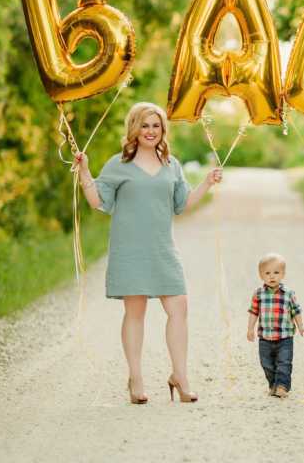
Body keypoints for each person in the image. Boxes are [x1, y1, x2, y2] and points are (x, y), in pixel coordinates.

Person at [75, 102, 222, 404]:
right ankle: (136, 378)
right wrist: (84, 171)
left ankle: (180, 376)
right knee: (135, 313)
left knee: (179, 307)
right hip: (129, 250)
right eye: (144, 125)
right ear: (134, 129)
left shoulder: (172, 165)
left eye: (156, 125)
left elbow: (182, 205)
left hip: (162, 249)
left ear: (163, 130)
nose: (150, 131)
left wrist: (207, 182)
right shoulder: (118, 164)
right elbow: (95, 200)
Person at [246, 253, 304, 398]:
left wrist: (301, 327)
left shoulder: (288, 294)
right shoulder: (258, 294)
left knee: (284, 362)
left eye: (276, 273)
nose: (272, 276)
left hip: (284, 338)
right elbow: (253, 312)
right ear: (261, 275)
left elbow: (296, 311)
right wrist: (250, 328)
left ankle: (282, 386)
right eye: (267, 273)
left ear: (283, 274)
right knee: (267, 364)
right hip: (265, 338)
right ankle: (273, 384)